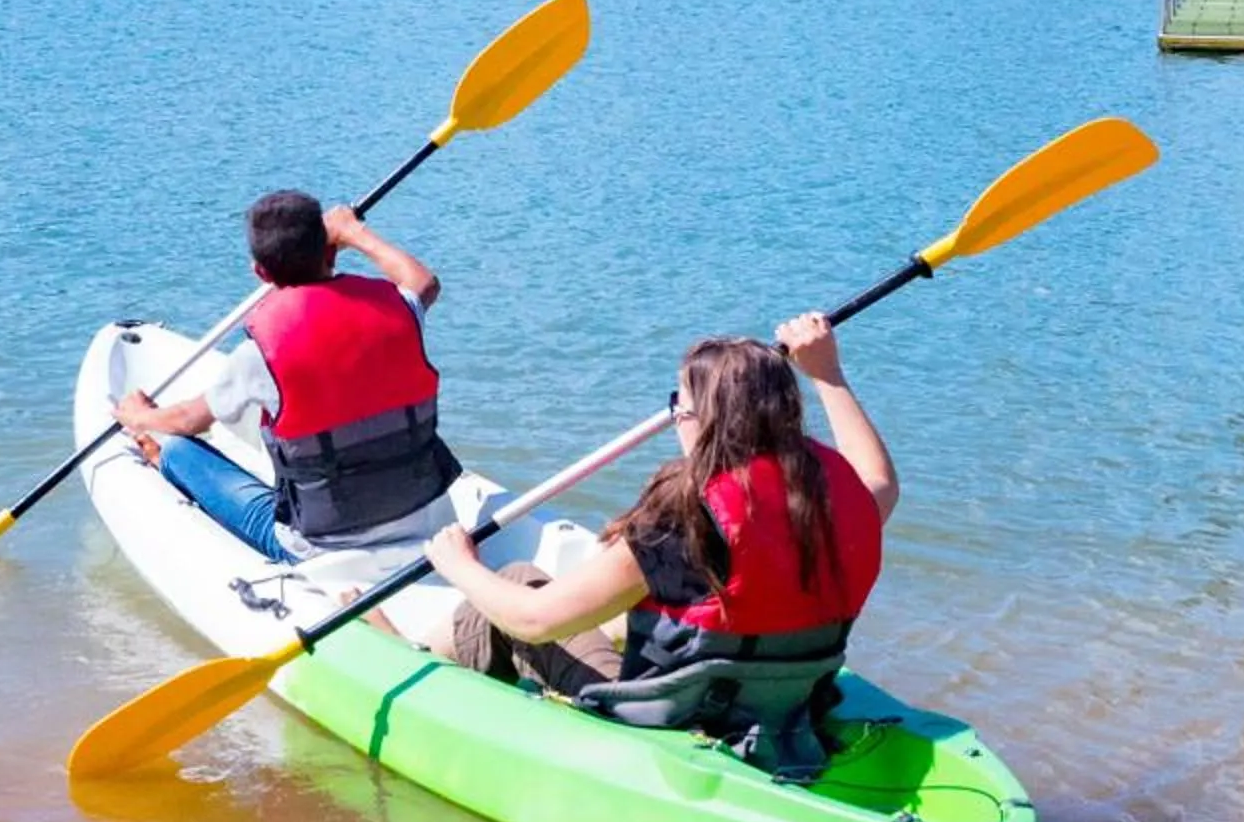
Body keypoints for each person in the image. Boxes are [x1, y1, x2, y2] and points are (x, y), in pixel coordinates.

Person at [415, 314, 897, 776]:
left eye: (678, 404)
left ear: (698, 417)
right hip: (785, 710)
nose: (676, 419)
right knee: (624, 613)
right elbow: (878, 478)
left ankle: (403, 659)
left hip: (670, 722)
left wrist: (458, 564)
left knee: (514, 582)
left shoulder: (689, 516)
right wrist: (828, 375)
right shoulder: (834, 493)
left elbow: (535, 620)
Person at [117, 190, 461, 564]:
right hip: (429, 520)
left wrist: (139, 417)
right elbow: (423, 282)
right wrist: (355, 232)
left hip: (321, 548)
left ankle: (158, 458)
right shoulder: (399, 311)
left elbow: (186, 421)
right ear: (330, 251)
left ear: (260, 273)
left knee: (180, 449)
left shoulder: (260, 354)